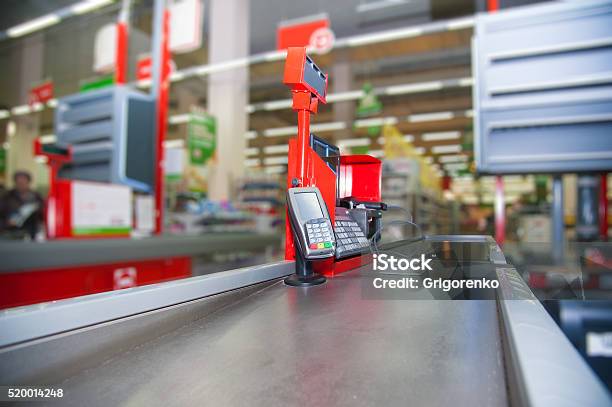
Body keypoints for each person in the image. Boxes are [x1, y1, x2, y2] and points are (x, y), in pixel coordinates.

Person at [0, 170, 44, 239]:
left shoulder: (36, 196)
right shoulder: (7, 197)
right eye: (19, 182)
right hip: (11, 233)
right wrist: (6, 223)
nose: (21, 183)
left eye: (24, 181)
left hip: (32, 233)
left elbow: (42, 214)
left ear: (28, 182)